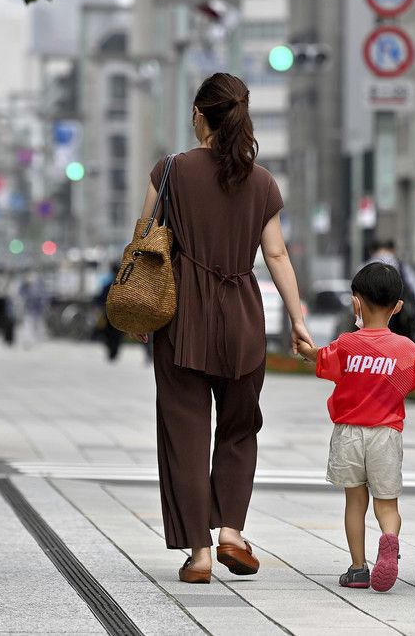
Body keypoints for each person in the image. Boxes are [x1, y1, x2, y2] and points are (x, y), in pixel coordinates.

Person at [133, 73, 313, 584]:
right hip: (242, 318)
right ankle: (232, 529)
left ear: (199, 116)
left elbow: (144, 236)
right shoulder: (261, 182)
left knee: (185, 433)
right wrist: (298, 321)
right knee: (239, 428)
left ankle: (200, 553)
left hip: (181, 317)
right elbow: (275, 253)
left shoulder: (170, 170)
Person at [296, 262, 415, 592]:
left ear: (356, 303)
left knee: (355, 502)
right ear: (397, 307)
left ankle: (357, 569)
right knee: (386, 504)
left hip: (349, 433)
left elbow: (320, 358)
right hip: (386, 435)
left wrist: (305, 349)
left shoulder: (346, 344)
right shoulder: (404, 351)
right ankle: (389, 539)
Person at [367, 240, 415, 339]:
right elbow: (413, 288)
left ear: (372, 251)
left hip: (373, 316)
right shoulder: (402, 266)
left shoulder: (368, 265)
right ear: (393, 250)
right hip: (399, 318)